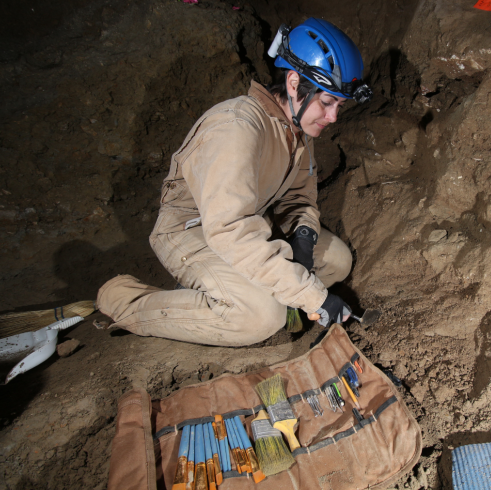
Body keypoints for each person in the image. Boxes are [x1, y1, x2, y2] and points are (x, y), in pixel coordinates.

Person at [96, 18, 372, 346]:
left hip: (246, 223)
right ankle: (125, 299)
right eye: (327, 103)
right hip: (192, 230)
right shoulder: (237, 127)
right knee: (259, 317)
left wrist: (303, 239)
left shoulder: (296, 129)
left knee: (337, 260)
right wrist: (310, 295)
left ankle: (238, 287)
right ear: (295, 83)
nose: (333, 117)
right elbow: (228, 229)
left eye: (339, 105)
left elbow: (299, 197)